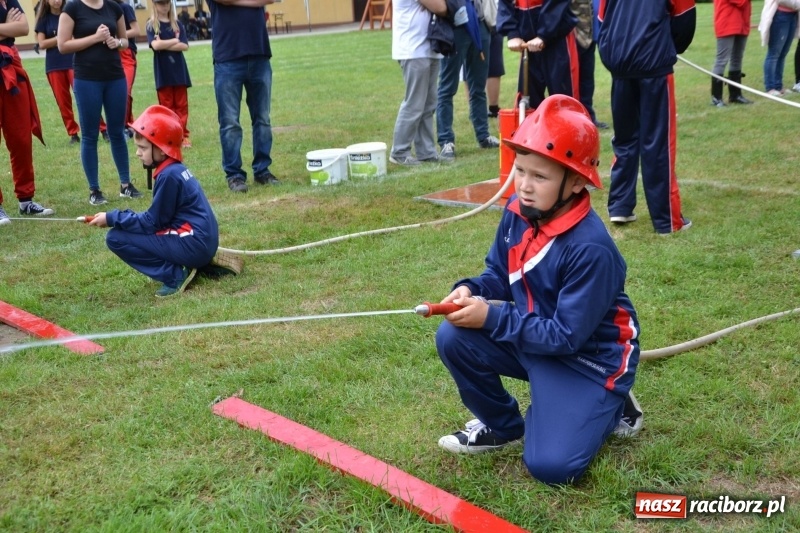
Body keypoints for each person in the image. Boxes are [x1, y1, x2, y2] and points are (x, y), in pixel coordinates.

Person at [434, 95, 642, 485]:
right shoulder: (518, 210)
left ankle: (613, 404)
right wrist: (468, 289)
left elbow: (566, 336)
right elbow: (500, 274)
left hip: (587, 360)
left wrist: (492, 316)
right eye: (521, 170)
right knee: (453, 334)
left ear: (577, 181)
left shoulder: (591, 249)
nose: (524, 186)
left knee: (552, 468)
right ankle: (504, 426)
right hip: (537, 337)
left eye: (540, 177)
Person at [87, 105, 219, 298]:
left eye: (143, 148)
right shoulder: (174, 169)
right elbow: (159, 220)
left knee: (115, 238)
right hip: (201, 243)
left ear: (162, 150)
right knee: (128, 231)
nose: (137, 153)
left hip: (195, 246)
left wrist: (112, 218)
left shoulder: (169, 176)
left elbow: (152, 223)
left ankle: (175, 276)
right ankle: (190, 265)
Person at [597, 0, 695, 234]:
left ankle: (620, 205)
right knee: (658, 143)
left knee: (625, 138)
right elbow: (684, 19)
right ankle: (667, 220)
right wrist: (667, 47)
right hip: (653, 65)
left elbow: (602, 19)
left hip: (620, 62)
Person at [58, 0, 142, 205]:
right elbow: (63, 45)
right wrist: (95, 38)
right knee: (89, 135)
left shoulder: (114, 8)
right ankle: (94, 190)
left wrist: (116, 42)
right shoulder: (72, 8)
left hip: (115, 77)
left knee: (117, 132)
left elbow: (125, 40)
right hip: (87, 79)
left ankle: (125, 185)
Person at [208, 0, 280, 193]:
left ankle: (262, 171)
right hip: (227, 58)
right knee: (230, 122)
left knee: (263, 119)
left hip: (259, 54)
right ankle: (234, 175)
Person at [0, 0, 54, 224]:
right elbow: (14, 28)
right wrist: (6, 27)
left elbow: (22, 28)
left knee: (21, 138)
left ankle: (26, 199)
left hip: (11, 66)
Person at [436, 0, 500, 162]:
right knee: (447, 88)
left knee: (478, 87)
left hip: (480, 24)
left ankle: (483, 136)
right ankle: (446, 140)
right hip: (455, 26)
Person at [389, 0, 447, 167]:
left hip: (428, 49)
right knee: (414, 103)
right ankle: (399, 151)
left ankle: (426, 151)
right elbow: (441, 7)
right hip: (413, 50)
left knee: (428, 104)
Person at [497, 0, 579, 110]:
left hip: (558, 40)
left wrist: (544, 34)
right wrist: (512, 33)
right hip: (528, 43)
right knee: (528, 102)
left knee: (564, 101)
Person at [146, 0, 192, 148]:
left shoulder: (177, 24)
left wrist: (164, 44)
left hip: (179, 72)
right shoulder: (152, 25)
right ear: (155, 5)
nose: (164, 6)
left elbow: (184, 46)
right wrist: (174, 40)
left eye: (166, 3)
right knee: (167, 107)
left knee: (181, 105)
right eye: (160, 3)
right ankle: (170, 136)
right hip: (163, 72)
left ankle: (182, 135)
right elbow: (156, 45)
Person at [711, 0, 753, 106]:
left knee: (737, 58)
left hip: (742, 21)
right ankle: (716, 98)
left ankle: (735, 95)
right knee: (722, 60)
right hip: (727, 22)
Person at [572, 0, 607, 128]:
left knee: (587, 80)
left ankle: (588, 117)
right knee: (571, 81)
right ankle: (573, 119)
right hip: (572, 35)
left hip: (589, 35)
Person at [759, 0, 800, 96]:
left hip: (793, 15)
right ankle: (770, 87)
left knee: (783, 54)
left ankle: (778, 86)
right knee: (774, 53)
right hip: (780, 15)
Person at [114, 0, 139, 133]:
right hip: (111, 55)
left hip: (126, 54)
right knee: (116, 92)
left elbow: (136, 30)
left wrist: (117, 37)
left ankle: (125, 125)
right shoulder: (103, 8)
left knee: (125, 90)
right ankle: (127, 124)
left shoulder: (125, 7)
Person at [485, 0, 504, 118]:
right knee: (494, 63)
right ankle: (493, 108)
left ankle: (476, 109)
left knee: (470, 66)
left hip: (472, 15)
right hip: (492, 17)